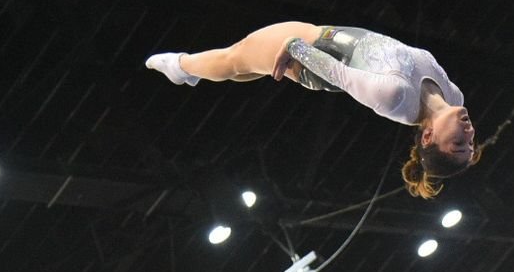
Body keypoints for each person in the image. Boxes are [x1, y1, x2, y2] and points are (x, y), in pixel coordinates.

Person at [146, 23, 477, 198]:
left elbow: (337, 74)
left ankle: (182, 65)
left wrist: (293, 46)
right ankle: (190, 73)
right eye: (470, 142)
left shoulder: (395, 97)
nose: (469, 133)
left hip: (314, 51)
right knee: (243, 64)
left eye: (458, 144)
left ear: (429, 136)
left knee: (236, 58)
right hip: (322, 39)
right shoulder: (453, 93)